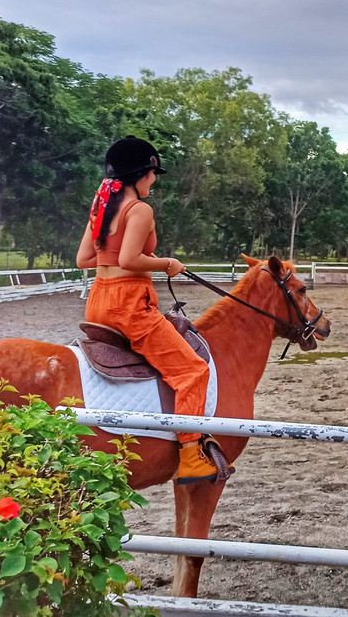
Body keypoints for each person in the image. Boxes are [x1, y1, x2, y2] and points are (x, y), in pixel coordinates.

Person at [76, 135, 218, 484]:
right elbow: (128, 259)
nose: (154, 181)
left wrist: (125, 262)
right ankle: (191, 456)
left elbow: (84, 259)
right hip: (128, 306)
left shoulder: (100, 207)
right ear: (142, 173)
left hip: (97, 302)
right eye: (153, 174)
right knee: (193, 372)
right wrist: (166, 262)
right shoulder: (139, 209)